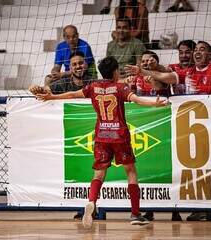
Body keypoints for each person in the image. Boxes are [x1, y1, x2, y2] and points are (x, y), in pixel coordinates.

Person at [32, 56, 169, 228]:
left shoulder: (93, 87)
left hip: (102, 136)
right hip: (119, 136)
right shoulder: (120, 87)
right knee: (131, 172)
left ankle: (91, 202)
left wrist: (52, 97)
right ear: (114, 72)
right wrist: (153, 104)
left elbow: (73, 94)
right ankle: (135, 214)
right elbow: (136, 99)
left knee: (98, 174)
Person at [125, 41, 211, 95]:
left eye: (201, 50)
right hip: (189, 109)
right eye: (196, 49)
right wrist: (143, 70)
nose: (184, 55)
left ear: (209, 55)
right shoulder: (185, 72)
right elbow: (164, 73)